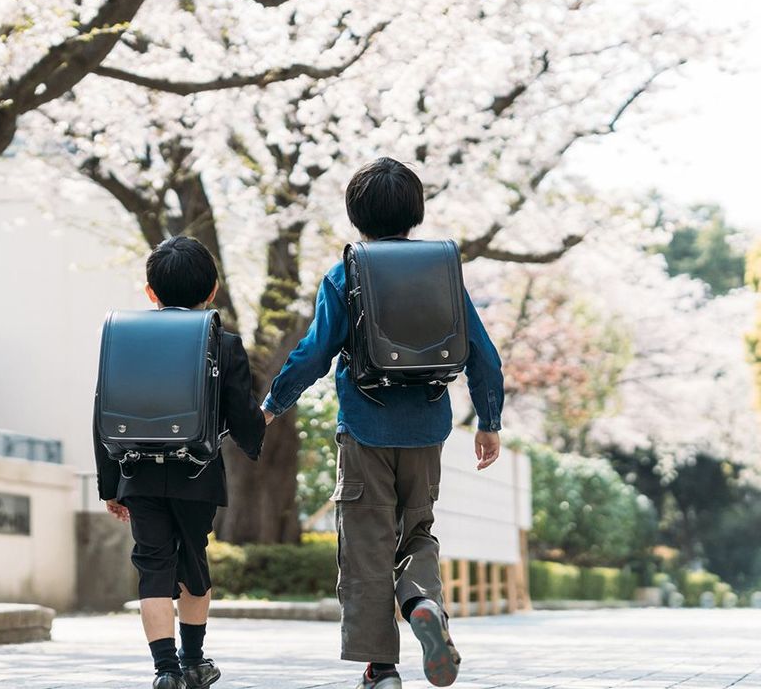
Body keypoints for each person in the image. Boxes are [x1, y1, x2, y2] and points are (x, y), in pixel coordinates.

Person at [261, 157, 505, 689]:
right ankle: (423, 603)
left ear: (355, 215)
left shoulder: (347, 271)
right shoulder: (443, 273)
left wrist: (276, 401)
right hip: (427, 429)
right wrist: (489, 421)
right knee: (417, 530)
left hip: (365, 429)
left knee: (367, 544)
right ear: (415, 214)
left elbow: (314, 353)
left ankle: (382, 670)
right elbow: (482, 353)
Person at [95, 235, 268, 689]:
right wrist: (256, 435)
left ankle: (165, 671)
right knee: (194, 563)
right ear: (211, 290)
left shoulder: (122, 337)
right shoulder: (222, 342)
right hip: (198, 474)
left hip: (138, 473)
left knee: (153, 568)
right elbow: (241, 410)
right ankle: (194, 662)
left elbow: (102, 411)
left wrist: (109, 485)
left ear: (150, 292)